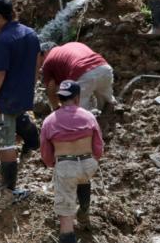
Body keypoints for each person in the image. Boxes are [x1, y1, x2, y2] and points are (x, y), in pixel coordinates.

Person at [0, 0, 41, 203]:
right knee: (15, 128)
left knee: (5, 142)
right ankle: (31, 146)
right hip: (24, 95)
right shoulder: (31, 33)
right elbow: (36, 64)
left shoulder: (4, 40)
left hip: (5, 99)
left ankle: (9, 187)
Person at [40, 81, 104, 243]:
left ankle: (68, 234)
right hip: (89, 165)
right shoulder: (88, 116)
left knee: (66, 214)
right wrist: (92, 160)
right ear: (77, 98)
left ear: (60, 98)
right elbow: (98, 146)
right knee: (83, 178)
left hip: (66, 166)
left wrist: (55, 166)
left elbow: (46, 154)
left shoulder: (49, 121)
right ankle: (84, 211)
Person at [40, 41, 116, 113]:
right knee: (107, 103)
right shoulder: (72, 45)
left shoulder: (48, 61)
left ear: (45, 53)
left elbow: (51, 89)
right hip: (104, 69)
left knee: (79, 113)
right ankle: (112, 120)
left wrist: (56, 108)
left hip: (84, 75)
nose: (40, 64)